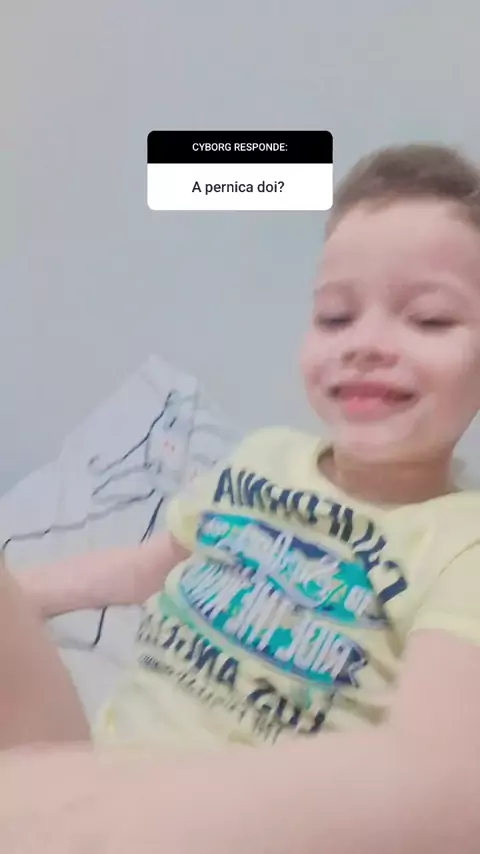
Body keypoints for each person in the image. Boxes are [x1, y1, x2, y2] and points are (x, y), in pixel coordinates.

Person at [6, 142, 480, 851]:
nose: (366, 344)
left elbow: (443, 778)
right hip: (86, 775)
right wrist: (20, 594)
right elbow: (144, 569)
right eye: (335, 317)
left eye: (429, 319)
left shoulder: (462, 543)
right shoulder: (263, 457)